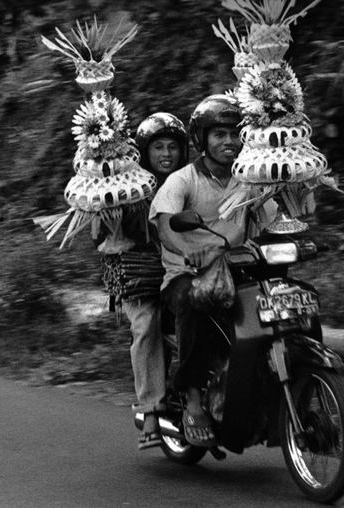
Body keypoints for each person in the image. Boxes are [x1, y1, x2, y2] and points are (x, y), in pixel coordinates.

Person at [148, 94, 276, 447]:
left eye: (235, 134)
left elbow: (274, 220)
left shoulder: (250, 179)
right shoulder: (182, 180)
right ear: (202, 140)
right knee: (193, 299)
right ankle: (191, 401)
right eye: (219, 135)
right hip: (184, 278)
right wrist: (193, 250)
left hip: (240, 274)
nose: (229, 142)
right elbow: (166, 226)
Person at [118, 112, 189, 450]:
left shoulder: (191, 181)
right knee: (147, 324)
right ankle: (150, 409)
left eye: (172, 147)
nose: (165, 154)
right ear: (144, 153)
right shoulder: (129, 187)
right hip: (143, 274)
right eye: (158, 147)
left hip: (184, 268)